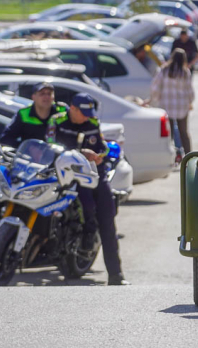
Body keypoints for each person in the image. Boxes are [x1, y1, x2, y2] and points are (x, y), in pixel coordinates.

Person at [47, 93, 128, 286]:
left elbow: (104, 147)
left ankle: (116, 275)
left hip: (94, 175)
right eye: (82, 112)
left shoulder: (92, 122)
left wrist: (98, 155)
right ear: (72, 109)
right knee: (85, 206)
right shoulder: (57, 120)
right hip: (67, 175)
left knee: (107, 219)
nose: (86, 116)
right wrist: (78, 151)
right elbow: (49, 144)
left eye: (88, 113)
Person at [150, 48, 195, 154]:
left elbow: (155, 87)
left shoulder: (164, 70)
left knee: (168, 134)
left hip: (166, 105)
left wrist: (156, 99)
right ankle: (188, 156)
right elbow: (190, 90)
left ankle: (169, 155)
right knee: (184, 133)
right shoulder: (185, 72)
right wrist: (190, 102)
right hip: (182, 106)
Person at [0, 82, 65, 146]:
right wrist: (26, 148)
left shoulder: (62, 111)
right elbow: (6, 138)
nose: (46, 97)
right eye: (42, 94)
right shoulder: (24, 113)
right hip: (28, 156)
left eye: (49, 94)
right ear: (33, 97)